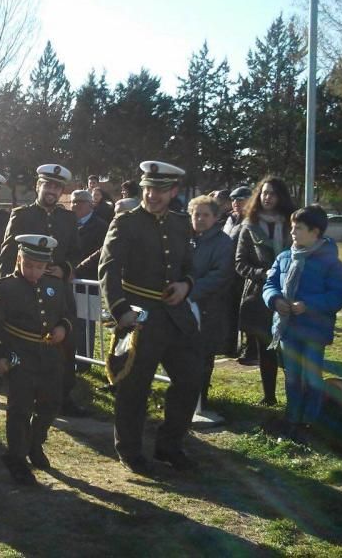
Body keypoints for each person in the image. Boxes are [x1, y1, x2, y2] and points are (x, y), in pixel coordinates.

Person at [99, 160, 201, 473]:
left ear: (173, 191)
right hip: (140, 317)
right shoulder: (126, 222)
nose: (152, 195)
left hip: (176, 317)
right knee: (134, 387)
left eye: (159, 189)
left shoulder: (180, 223)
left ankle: (169, 445)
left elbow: (189, 265)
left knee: (189, 380)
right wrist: (120, 310)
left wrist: (186, 284)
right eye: (147, 188)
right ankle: (129, 450)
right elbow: (109, 269)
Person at [0, 235, 74, 485]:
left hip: (49, 356)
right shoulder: (4, 287)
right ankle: (16, 457)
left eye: (39, 266)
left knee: (51, 404)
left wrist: (63, 328)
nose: (34, 272)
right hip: (19, 356)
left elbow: (67, 314)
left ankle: (35, 444)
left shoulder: (55, 285)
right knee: (20, 408)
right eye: (29, 265)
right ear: (19, 260)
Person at [0, 164, 84, 416]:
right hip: (25, 289)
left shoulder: (67, 218)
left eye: (57, 187)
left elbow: (75, 252)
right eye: (47, 185)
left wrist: (65, 270)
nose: (52, 190)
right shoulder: (21, 215)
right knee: (26, 342)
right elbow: (6, 255)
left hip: (58, 291)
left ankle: (63, 396)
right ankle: (26, 393)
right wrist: (6, 287)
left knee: (67, 342)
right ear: (38, 186)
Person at [262, 205, 342, 444]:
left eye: (298, 228)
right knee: (292, 376)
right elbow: (270, 284)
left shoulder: (331, 263)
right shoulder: (284, 257)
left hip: (314, 331)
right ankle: (292, 418)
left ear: (315, 232)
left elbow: (337, 295)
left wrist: (308, 305)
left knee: (311, 378)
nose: (293, 233)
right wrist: (275, 299)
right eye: (292, 228)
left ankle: (311, 420)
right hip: (288, 329)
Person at [235, 176, 295, 405]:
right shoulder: (248, 225)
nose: (267, 197)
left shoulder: (293, 224)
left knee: (290, 350)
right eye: (264, 193)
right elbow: (240, 263)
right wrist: (263, 273)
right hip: (260, 294)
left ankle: (295, 399)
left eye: (272, 193)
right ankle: (269, 396)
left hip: (291, 292)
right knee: (266, 348)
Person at [187, 195, 235, 421]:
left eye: (206, 215)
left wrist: (189, 292)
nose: (200, 219)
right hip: (181, 308)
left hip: (208, 309)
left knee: (204, 356)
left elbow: (220, 275)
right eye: (196, 214)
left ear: (216, 217)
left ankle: (200, 401)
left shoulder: (224, 243)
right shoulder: (185, 238)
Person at [70, 190, 109, 404]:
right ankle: (73, 357)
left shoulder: (101, 225)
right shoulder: (69, 223)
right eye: (73, 202)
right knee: (71, 319)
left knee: (86, 322)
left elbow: (102, 252)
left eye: (80, 202)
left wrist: (79, 269)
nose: (75, 205)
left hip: (88, 280)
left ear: (89, 205)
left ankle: (85, 361)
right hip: (69, 280)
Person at [222, 186, 252, 358]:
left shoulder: (252, 221)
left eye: (240, 200)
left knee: (244, 312)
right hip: (229, 273)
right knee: (230, 311)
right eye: (234, 200)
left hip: (243, 273)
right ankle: (231, 344)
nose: (236, 203)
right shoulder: (231, 220)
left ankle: (248, 348)